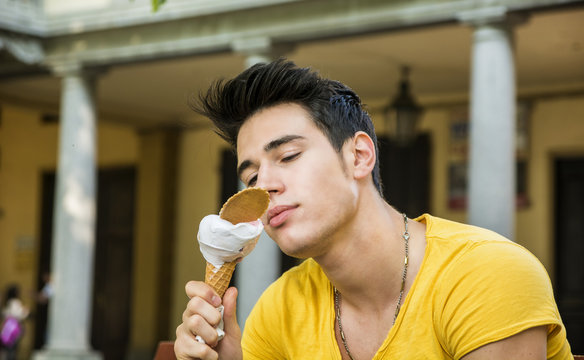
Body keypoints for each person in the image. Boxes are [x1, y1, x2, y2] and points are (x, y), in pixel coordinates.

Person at [175, 59, 572, 359]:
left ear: (359, 156)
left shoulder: (486, 275)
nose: (265, 187)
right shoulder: (278, 309)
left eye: (289, 155)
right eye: (251, 178)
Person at [1, 284, 29, 360]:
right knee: (13, 348)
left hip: (7, 327)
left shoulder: (6, 302)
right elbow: (19, 315)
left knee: (7, 347)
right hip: (15, 327)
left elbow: (4, 314)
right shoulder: (15, 302)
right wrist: (25, 311)